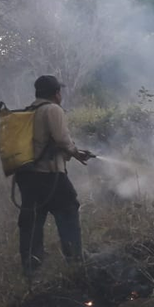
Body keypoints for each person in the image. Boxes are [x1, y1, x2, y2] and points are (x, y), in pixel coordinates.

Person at [16, 75, 94, 275]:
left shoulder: (29, 111)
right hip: (49, 174)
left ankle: (32, 268)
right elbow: (61, 139)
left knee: (32, 220)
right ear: (56, 93)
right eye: (60, 92)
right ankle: (75, 258)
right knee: (68, 209)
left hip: (27, 177)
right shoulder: (52, 109)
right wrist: (77, 154)